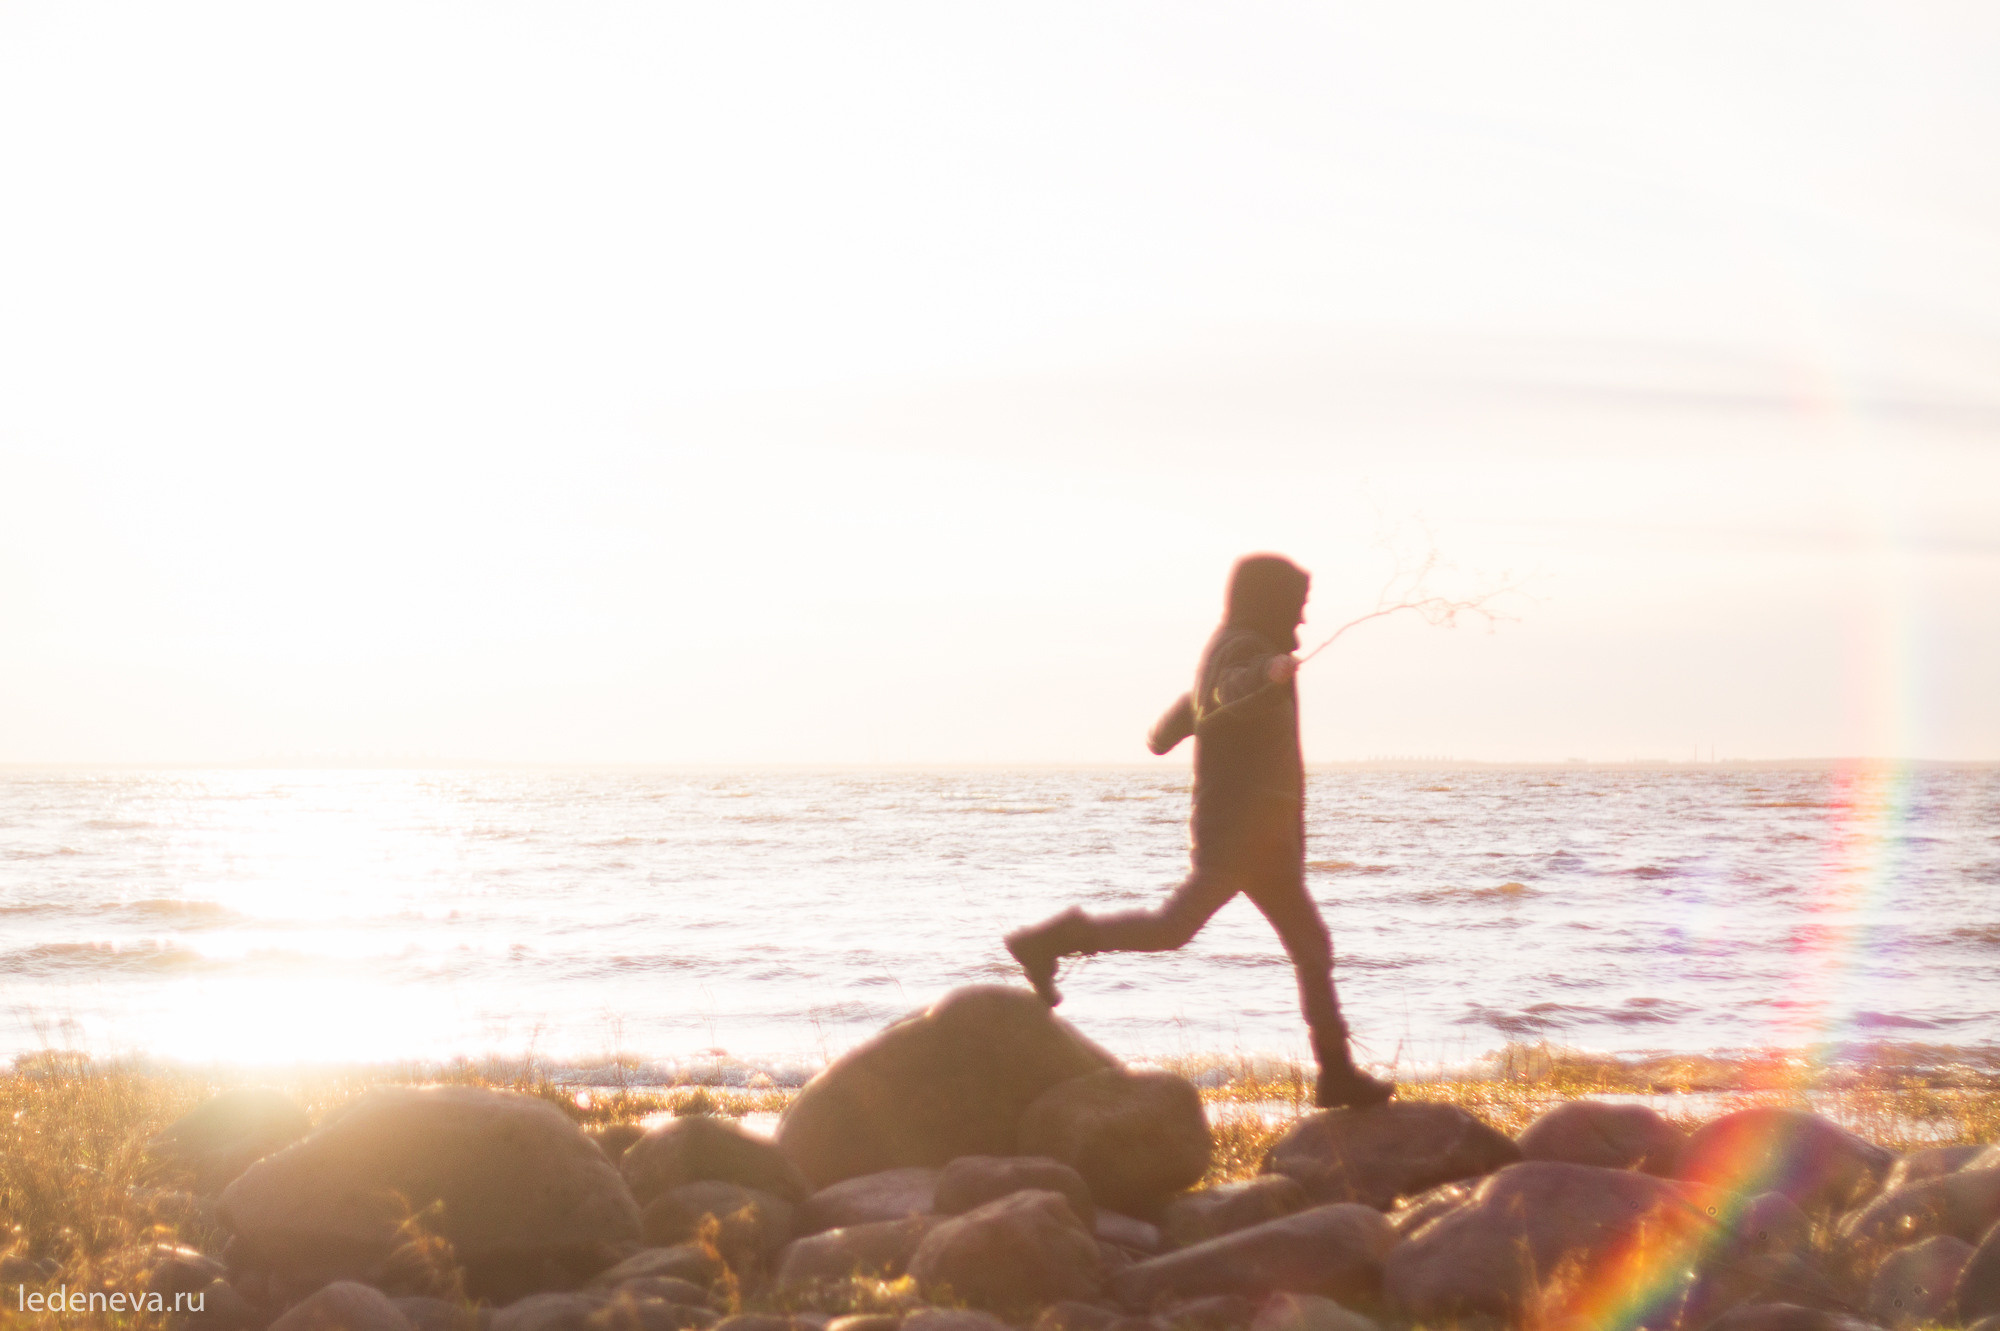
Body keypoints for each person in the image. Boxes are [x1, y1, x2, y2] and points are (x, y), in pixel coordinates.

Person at [1003, 553, 1395, 1110]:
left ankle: (1335, 1076)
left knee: (1309, 947)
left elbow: (1200, 701)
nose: (1303, 621)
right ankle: (1052, 939)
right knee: (1178, 929)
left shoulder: (1230, 643)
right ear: (1270, 601)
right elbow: (1226, 692)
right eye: (1298, 607)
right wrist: (1265, 675)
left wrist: (1166, 732)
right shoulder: (1248, 653)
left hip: (1265, 840)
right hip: (1242, 838)